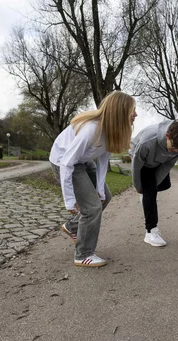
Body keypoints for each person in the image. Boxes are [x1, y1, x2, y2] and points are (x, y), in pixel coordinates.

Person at [50, 91, 136, 267]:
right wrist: (69, 201)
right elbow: (67, 163)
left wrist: (99, 189)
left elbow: (103, 160)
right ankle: (83, 254)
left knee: (105, 197)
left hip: (84, 161)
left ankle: (73, 227)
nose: (136, 114)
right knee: (92, 207)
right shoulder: (91, 129)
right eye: (132, 110)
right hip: (64, 162)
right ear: (120, 112)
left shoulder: (112, 131)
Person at [129, 120, 178, 247]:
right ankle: (150, 232)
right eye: (174, 147)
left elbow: (168, 165)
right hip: (142, 161)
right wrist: (139, 187)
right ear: (167, 136)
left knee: (163, 185)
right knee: (149, 190)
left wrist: (152, 187)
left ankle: (148, 194)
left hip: (159, 161)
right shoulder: (147, 142)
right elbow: (136, 166)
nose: (176, 151)